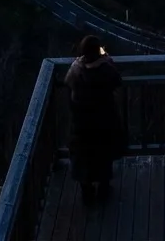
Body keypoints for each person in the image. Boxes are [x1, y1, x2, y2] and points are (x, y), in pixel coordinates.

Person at [64, 35, 125, 203]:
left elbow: (68, 81)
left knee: (83, 156)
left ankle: (87, 192)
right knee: (104, 154)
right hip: (103, 120)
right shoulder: (106, 70)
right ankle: (103, 189)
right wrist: (107, 60)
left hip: (81, 122)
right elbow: (117, 81)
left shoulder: (76, 70)